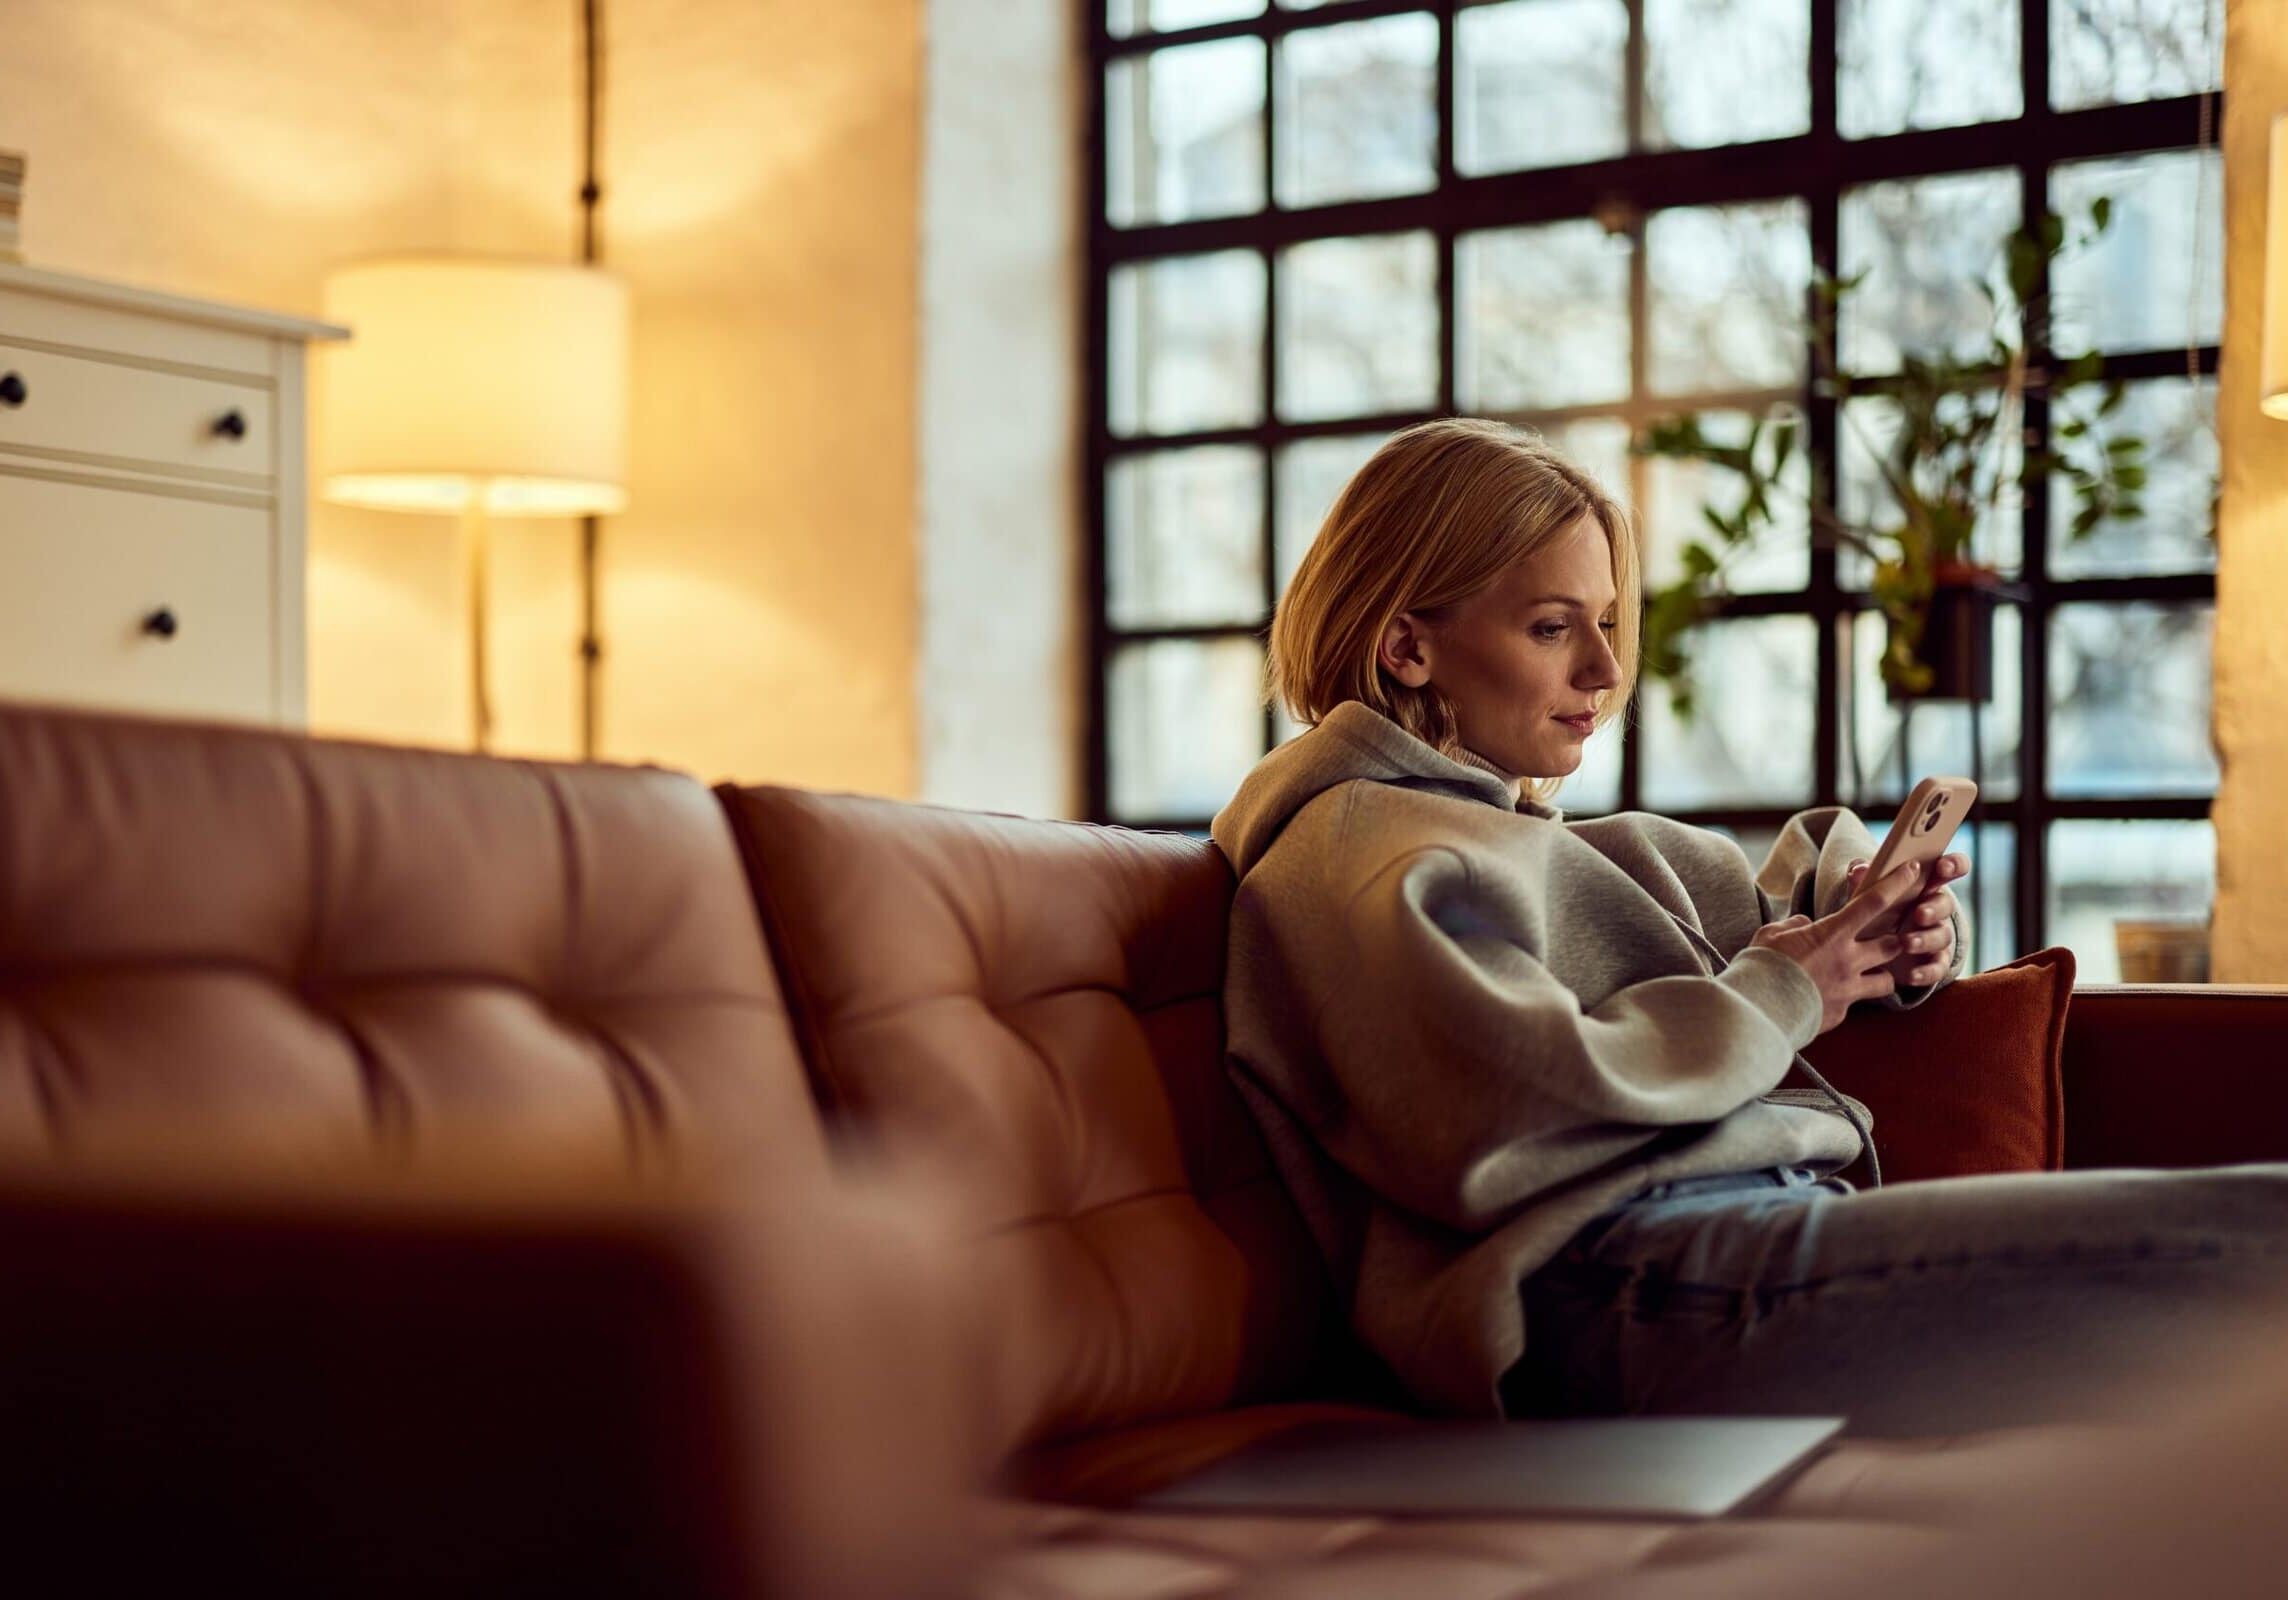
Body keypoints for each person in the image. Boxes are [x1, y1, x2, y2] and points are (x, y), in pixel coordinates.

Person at [1214, 416, 2288, 1435]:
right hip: (1617, 1282)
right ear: (1406, 645)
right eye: (1552, 627)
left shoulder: (1529, 837)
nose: (1602, 670)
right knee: (2252, 1244)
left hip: (1709, 1244)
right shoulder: (1356, 848)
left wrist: (1882, 937)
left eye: (1604, 623)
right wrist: (1784, 991)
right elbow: (1495, 1116)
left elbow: (1758, 919)